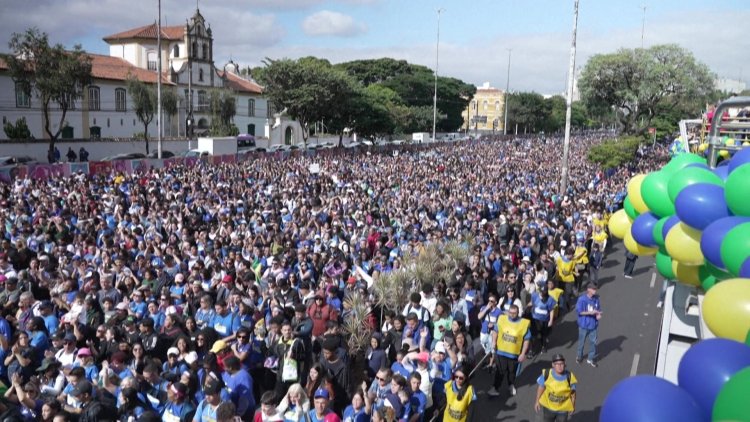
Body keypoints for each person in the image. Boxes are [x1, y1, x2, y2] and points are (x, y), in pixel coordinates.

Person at [488, 304, 530, 398]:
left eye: (514, 313)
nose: (512, 315)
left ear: (518, 313)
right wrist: (494, 342)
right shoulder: (502, 319)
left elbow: (526, 340)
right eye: (510, 313)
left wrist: (523, 353)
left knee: (512, 372)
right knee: (500, 371)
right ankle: (495, 388)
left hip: (514, 354)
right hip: (501, 352)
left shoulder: (523, 324)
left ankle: (511, 385)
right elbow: (495, 331)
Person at [534, 354, 577, 421]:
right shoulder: (547, 374)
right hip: (548, 408)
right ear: (553, 365)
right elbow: (541, 387)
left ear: (564, 364)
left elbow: (573, 394)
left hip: (563, 410)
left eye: (561, 364)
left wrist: (573, 405)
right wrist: (537, 401)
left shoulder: (570, 377)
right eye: (557, 364)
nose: (559, 366)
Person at [575, 283, 602, 367]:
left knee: (593, 342)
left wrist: (598, 314)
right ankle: (579, 356)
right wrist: (590, 312)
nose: (595, 290)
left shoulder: (596, 299)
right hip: (584, 325)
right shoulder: (582, 299)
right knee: (581, 342)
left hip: (593, 325)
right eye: (593, 289)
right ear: (588, 289)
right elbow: (579, 312)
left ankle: (590, 358)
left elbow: (598, 309)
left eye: (595, 289)